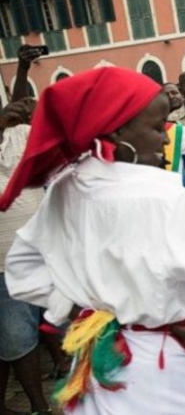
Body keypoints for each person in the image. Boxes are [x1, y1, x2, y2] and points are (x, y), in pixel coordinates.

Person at [0, 68, 185, 414]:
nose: (167, 140)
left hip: (100, 362)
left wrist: (77, 306)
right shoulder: (167, 197)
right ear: (116, 130)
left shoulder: (65, 189)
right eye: (157, 128)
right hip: (164, 361)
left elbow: (20, 270)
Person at [0, 98, 51, 415]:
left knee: (20, 335)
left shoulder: (20, 135)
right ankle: (39, 407)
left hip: (38, 254)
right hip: (4, 265)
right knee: (18, 338)